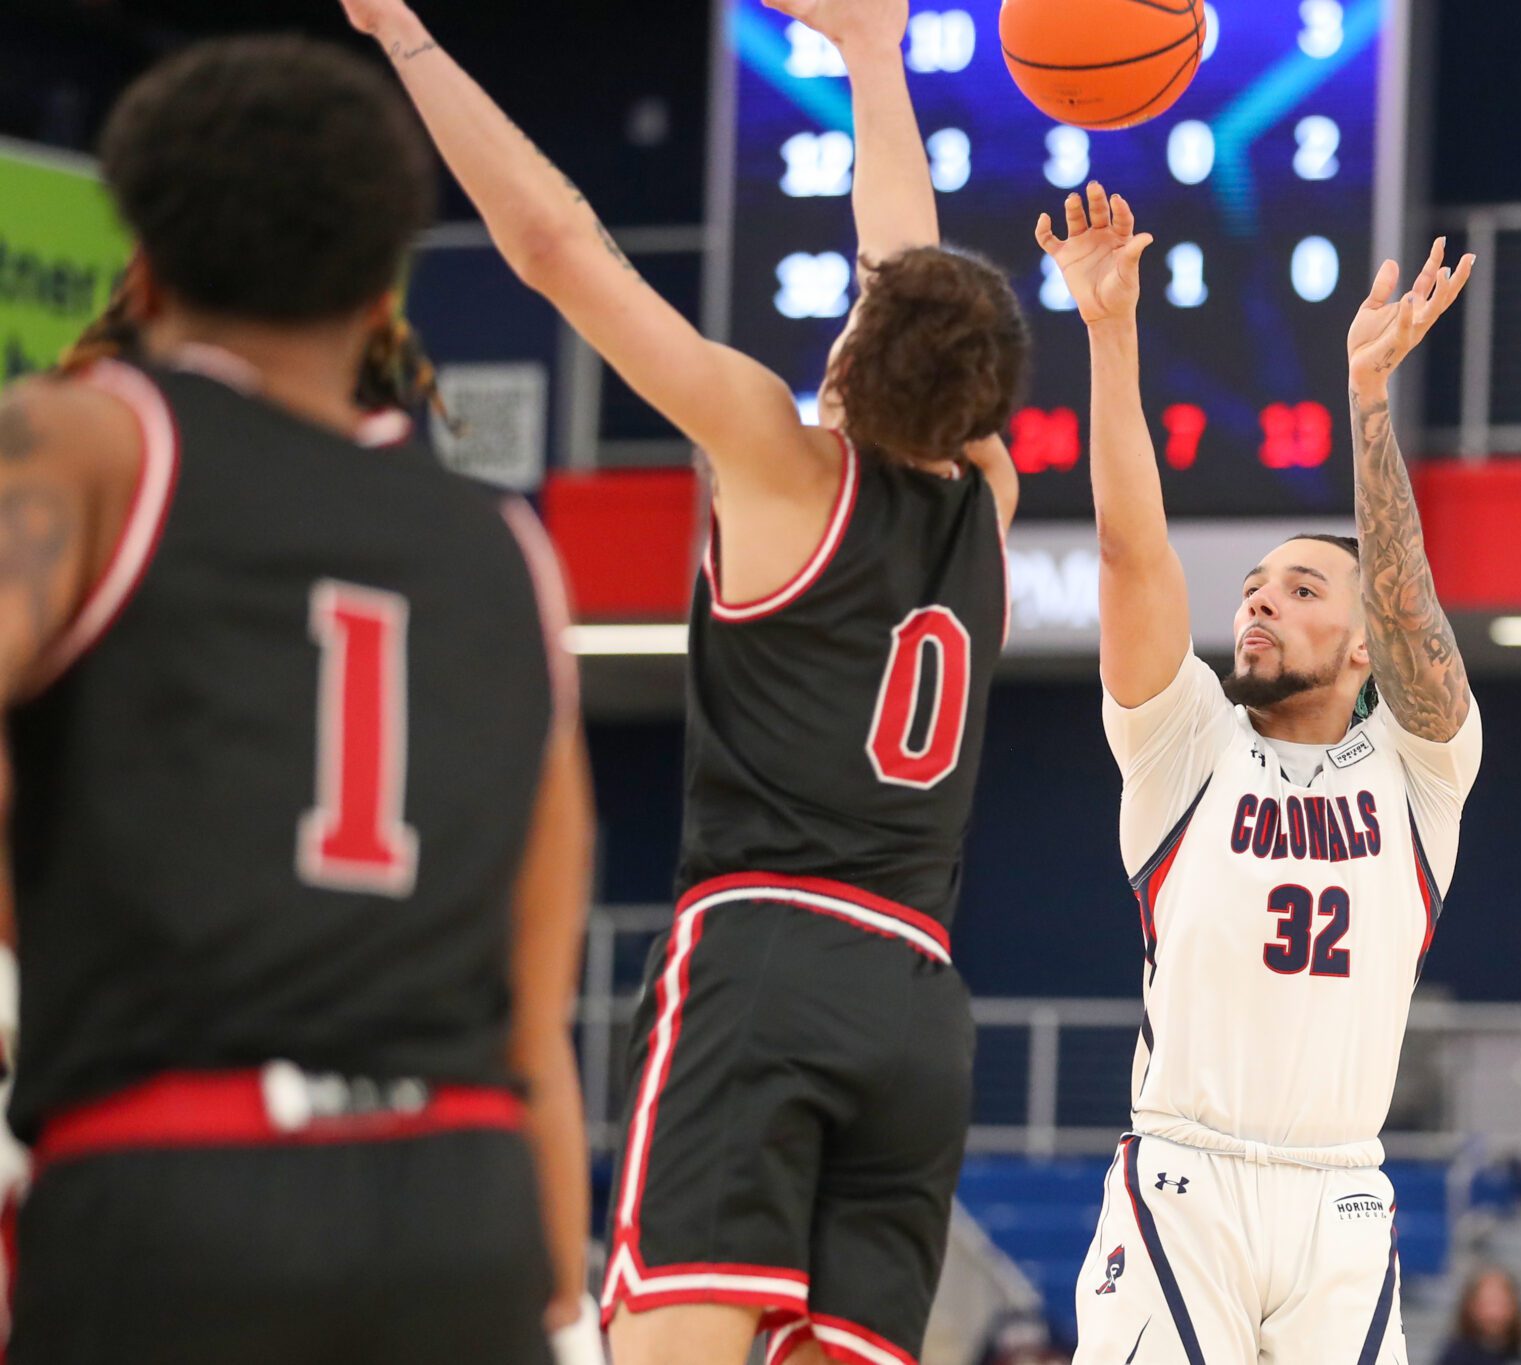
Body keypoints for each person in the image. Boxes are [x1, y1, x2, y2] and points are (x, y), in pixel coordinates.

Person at [338, 0, 1026, 1360]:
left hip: (767, 956)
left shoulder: (776, 453)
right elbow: (911, 274)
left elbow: (554, 248)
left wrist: (401, 33)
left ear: (855, 339)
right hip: (923, 1008)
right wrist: (874, 57)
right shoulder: (985, 499)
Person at [0, 36, 595, 1364]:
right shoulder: (509, 548)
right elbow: (529, 1012)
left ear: (141, 263)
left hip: (176, 1186)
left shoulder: (90, 438)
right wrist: (565, 1315)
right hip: (463, 1207)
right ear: (387, 285)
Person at [1040, 182, 1480, 1362]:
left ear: (1359, 642)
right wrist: (1109, 329)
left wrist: (1367, 401)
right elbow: (1132, 551)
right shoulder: (1185, 738)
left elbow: (1407, 596)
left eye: (1298, 590)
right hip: (1186, 1181)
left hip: (1343, 1197)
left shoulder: (1420, 764)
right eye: (1251, 589)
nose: (1257, 605)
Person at [1439, 1267, 1521, 1365]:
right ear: (1471, 1307)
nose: (1493, 1313)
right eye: (1487, 1303)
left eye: (1500, 1303)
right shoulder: (1455, 1357)